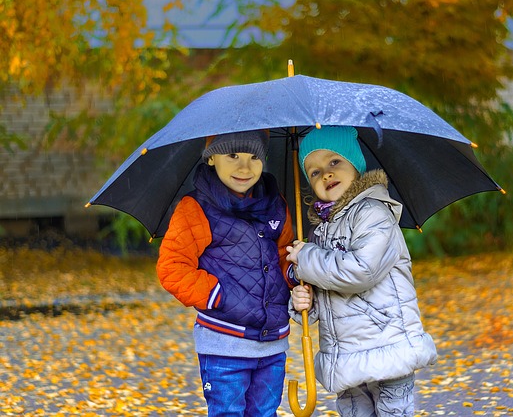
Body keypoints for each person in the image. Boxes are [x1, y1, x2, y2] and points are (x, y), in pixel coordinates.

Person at [286, 125, 438, 416]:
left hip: (387, 348)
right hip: (346, 358)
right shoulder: (320, 232)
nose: (326, 174)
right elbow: (328, 292)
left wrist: (308, 258)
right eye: (314, 172)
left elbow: (361, 272)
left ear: (355, 165)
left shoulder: (374, 213)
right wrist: (306, 301)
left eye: (334, 162)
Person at [156, 130, 296, 417]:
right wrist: (217, 295)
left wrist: (294, 275)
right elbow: (172, 268)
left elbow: (283, 255)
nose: (244, 167)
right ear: (212, 159)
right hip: (224, 343)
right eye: (233, 156)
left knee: (265, 412)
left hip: (272, 344)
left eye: (254, 157)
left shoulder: (276, 205)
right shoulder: (196, 209)